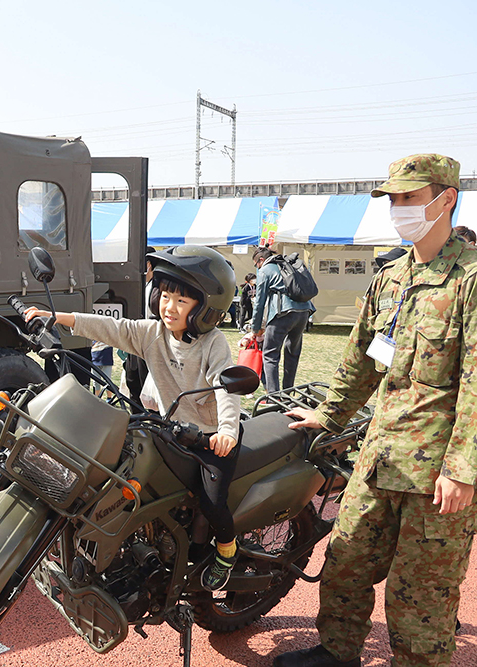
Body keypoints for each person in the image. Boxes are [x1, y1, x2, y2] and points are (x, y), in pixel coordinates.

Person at [276, 154, 477, 667]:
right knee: (345, 559)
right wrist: (329, 414)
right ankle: (337, 652)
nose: (398, 208)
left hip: (435, 472)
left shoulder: (470, 280)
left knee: (421, 592)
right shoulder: (392, 277)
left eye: (409, 198)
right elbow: (362, 360)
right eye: (394, 199)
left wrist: (463, 469)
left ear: (446, 198)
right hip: (381, 454)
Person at [25, 245, 242, 591]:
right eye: (165, 295)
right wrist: (58, 318)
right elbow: (111, 328)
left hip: (209, 437)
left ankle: (226, 552)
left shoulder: (213, 345)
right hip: (166, 427)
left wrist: (227, 431)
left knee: (212, 501)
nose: (169, 307)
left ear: (205, 309)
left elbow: (225, 388)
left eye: (182, 301)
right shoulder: (152, 333)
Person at [242, 247, 315, 393]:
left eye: (256, 264)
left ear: (261, 260)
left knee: (270, 355)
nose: (257, 267)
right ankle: (288, 393)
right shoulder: (286, 264)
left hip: (282, 313)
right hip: (303, 311)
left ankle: (274, 397)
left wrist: (256, 329)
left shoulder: (266, 269)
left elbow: (259, 303)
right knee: (292, 354)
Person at [121, 245, 156, 401]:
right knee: (132, 380)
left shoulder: (157, 288)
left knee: (146, 385)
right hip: (135, 342)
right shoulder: (142, 285)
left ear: (147, 264)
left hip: (148, 343)